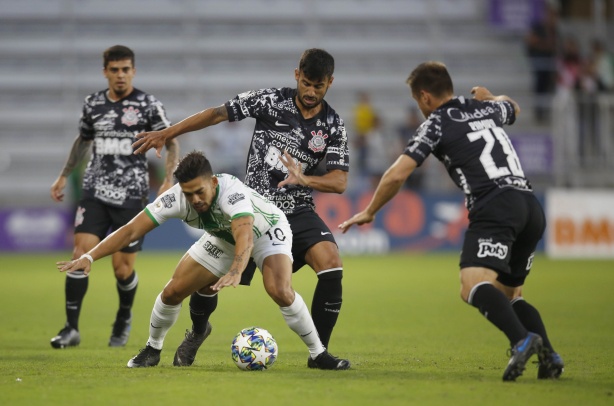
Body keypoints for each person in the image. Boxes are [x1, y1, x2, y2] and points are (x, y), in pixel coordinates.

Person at [339, 61, 563, 381]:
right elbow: (514, 108)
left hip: (495, 205)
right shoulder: (484, 108)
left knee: (471, 284)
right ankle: (550, 357)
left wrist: (371, 210)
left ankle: (522, 340)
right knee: (510, 294)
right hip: (530, 204)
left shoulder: (436, 123)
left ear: (426, 97)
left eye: (418, 102)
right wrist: (493, 97)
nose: (420, 109)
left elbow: (398, 173)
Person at [132, 48, 351, 367]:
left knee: (331, 265)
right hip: (251, 209)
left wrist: (304, 179)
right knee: (204, 285)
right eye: (306, 83)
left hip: (297, 210)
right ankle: (197, 331)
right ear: (296, 75)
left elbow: (339, 181)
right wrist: (169, 132)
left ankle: (319, 353)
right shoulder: (270, 101)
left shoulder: (332, 124)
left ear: (330, 82)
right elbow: (217, 113)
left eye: (319, 86)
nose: (311, 91)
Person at [56, 151, 350, 370]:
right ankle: (152, 349)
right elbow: (131, 229)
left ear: (212, 181)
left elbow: (245, 232)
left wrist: (237, 270)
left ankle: (318, 354)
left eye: (200, 191)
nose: (195, 199)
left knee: (279, 290)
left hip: (267, 230)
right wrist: (90, 256)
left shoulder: (231, 191)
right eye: (188, 193)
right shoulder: (176, 199)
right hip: (222, 237)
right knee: (172, 291)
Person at [49, 45, 179, 349]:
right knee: (81, 254)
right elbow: (83, 141)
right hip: (94, 191)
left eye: (126, 69)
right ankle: (71, 328)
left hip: (131, 197)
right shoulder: (93, 104)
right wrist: (64, 175)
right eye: (114, 69)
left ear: (133, 70)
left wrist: (168, 179)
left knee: (123, 270)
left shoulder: (148, 105)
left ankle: (122, 317)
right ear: (105, 71)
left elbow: (171, 143)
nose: (120, 75)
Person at [524, 1, 559, 124]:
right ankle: (538, 112)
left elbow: (555, 47)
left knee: (548, 87)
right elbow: (531, 41)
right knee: (539, 87)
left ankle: (546, 112)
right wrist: (546, 45)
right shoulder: (537, 26)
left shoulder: (554, 29)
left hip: (549, 64)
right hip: (539, 62)